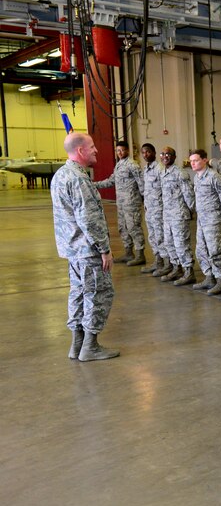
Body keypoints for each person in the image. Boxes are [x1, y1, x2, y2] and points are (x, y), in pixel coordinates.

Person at [51, 132, 119, 361]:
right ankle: (90, 346)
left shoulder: (61, 175)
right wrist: (104, 249)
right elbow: (88, 219)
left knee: (79, 293)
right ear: (80, 151)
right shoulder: (78, 179)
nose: (96, 150)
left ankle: (77, 345)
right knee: (98, 294)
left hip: (72, 249)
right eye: (92, 147)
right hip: (87, 250)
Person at [93, 140, 146, 266]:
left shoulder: (133, 165)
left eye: (122, 150)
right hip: (121, 204)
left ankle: (140, 254)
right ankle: (129, 253)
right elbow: (111, 181)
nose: (120, 153)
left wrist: (146, 200)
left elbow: (142, 183)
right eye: (118, 150)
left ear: (127, 150)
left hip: (131, 202)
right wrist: (94, 185)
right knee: (123, 228)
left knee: (133, 227)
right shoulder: (119, 165)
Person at [190, 149, 221, 295]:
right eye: (191, 161)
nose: (193, 163)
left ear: (205, 160)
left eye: (196, 160)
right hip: (201, 220)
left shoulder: (214, 177)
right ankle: (209, 277)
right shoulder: (197, 177)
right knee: (201, 249)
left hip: (214, 220)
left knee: (215, 251)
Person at [158, 147, 197, 286]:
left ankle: (189, 272)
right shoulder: (163, 172)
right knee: (169, 243)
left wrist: (193, 210)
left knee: (181, 244)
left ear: (174, 156)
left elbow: (189, 194)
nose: (165, 156)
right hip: (167, 215)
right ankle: (176, 268)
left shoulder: (180, 173)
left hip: (179, 215)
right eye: (162, 154)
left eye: (168, 154)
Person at [139, 143, 166, 275]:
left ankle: (167, 264)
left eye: (148, 152)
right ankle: (158, 261)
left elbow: (165, 189)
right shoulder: (146, 169)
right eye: (143, 152)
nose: (145, 155)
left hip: (159, 209)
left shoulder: (159, 168)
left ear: (154, 153)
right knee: (153, 236)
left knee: (161, 236)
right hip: (149, 209)